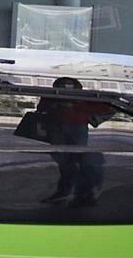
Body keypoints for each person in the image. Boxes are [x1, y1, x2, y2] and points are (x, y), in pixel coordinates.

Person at [34, 77, 111, 207]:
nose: (66, 89)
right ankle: (70, 192)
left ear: (77, 88)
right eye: (63, 86)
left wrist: (78, 106)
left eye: (70, 86)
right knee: (65, 162)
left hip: (75, 127)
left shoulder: (85, 97)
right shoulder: (52, 96)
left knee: (78, 161)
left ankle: (82, 193)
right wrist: (57, 104)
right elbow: (42, 108)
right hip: (58, 127)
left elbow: (107, 107)